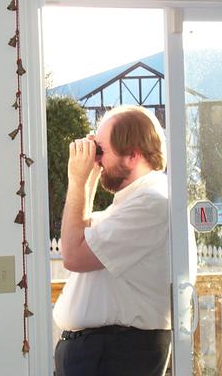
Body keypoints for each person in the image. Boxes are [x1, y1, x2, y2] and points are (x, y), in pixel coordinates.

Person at [53, 105, 171, 376]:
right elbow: (82, 232)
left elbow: (73, 254)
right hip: (104, 351)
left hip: (116, 353)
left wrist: (77, 179)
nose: (96, 158)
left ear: (132, 155)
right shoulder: (133, 202)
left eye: (101, 150)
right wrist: (90, 177)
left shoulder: (151, 204)